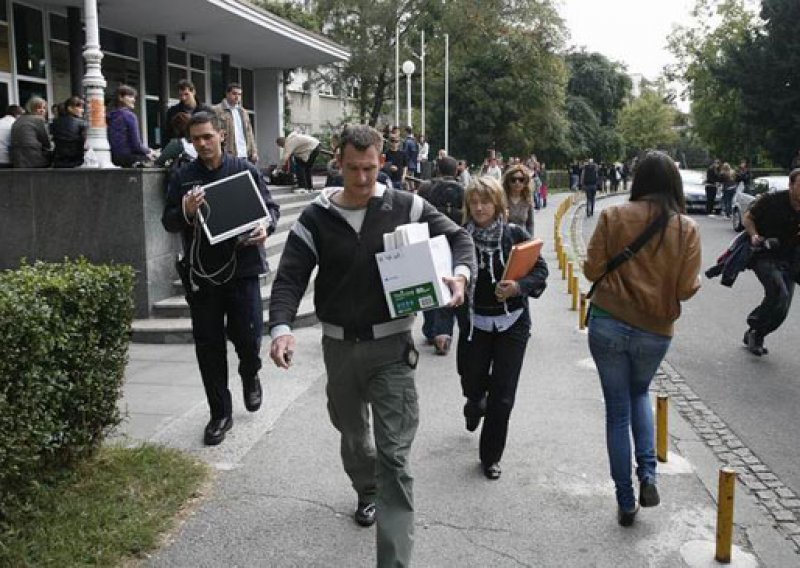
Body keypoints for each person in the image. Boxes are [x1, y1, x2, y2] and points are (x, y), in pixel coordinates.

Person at [267, 124, 475, 568]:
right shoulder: (316, 218)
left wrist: (461, 274)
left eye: (370, 168)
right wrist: (281, 327)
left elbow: (460, 237)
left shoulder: (406, 206)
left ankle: (394, 561)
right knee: (353, 436)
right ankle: (365, 489)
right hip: (339, 348)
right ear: (337, 164)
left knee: (395, 459)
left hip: (392, 348)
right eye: (353, 168)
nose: (362, 178)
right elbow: (288, 278)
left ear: (382, 162)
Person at [583, 151, 701, 527]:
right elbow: (684, 289)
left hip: (608, 321)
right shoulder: (686, 229)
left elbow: (591, 269)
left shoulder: (613, 216)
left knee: (616, 411)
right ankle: (648, 474)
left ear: (638, 181)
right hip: (655, 330)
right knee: (639, 395)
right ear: (674, 184)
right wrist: (694, 281)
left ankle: (625, 500)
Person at [161, 112, 280, 446]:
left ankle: (250, 371)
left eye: (207, 137)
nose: (202, 144)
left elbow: (270, 209)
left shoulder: (245, 170)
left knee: (249, 335)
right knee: (209, 347)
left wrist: (265, 226)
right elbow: (169, 220)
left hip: (243, 269)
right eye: (196, 139)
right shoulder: (184, 176)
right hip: (203, 275)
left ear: (222, 135)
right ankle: (220, 414)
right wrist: (184, 210)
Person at [456, 176, 548, 481]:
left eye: (486, 201)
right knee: (472, 381)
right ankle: (473, 402)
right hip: (475, 324)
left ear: (498, 204)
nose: (480, 207)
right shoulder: (459, 238)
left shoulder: (514, 234)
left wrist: (518, 287)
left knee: (503, 395)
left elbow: (541, 270)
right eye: (474, 201)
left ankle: (490, 457)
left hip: (513, 323)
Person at [740, 168, 800, 356]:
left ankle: (756, 332)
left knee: (782, 308)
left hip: (789, 259)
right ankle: (755, 328)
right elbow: (748, 217)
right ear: (791, 185)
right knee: (778, 293)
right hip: (764, 254)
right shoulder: (771, 200)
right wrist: (755, 235)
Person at [417, 156, 465, 355]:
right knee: (449, 283)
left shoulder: (426, 187)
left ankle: (429, 330)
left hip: (429, 241)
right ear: (456, 171)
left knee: (429, 283)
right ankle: (443, 333)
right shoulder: (463, 189)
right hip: (453, 241)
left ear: (437, 169)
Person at [108, 85, 155, 167]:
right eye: (130, 96)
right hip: (128, 158)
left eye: (134, 97)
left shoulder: (110, 116)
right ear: (120, 97)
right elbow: (136, 145)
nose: (134, 100)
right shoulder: (129, 115)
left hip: (112, 158)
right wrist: (150, 151)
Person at [214, 82, 258, 164]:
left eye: (239, 94)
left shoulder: (243, 112)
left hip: (244, 154)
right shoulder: (217, 110)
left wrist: (254, 151)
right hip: (227, 155)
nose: (237, 97)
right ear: (227, 94)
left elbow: (250, 133)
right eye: (234, 94)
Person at [51, 96, 88, 168]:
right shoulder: (81, 123)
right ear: (70, 108)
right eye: (80, 107)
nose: (82, 110)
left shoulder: (55, 122)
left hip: (59, 160)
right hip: (76, 159)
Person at [501, 165, 534, 235]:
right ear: (508, 182)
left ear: (525, 182)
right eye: (513, 180)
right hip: (506, 240)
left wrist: (531, 240)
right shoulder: (501, 199)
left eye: (521, 179)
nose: (517, 182)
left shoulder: (527, 200)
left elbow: (530, 224)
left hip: (524, 240)